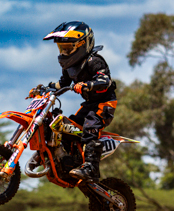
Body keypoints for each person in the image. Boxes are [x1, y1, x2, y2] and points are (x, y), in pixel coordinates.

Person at [39, 21, 117, 182]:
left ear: (83, 45)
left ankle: (90, 167)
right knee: (68, 127)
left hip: (104, 104)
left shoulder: (94, 61)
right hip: (89, 105)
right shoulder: (69, 66)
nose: (64, 52)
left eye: (68, 48)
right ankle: (69, 161)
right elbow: (62, 84)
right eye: (62, 48)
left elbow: (105, 81)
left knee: (89, 127)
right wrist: (45, 89)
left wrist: (88, 85)